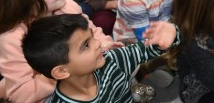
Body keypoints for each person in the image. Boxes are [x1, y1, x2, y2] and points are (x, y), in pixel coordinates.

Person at [0, 0, 113, 103]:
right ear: (30, 4)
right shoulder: (12, 40)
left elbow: (94, 33)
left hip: (86, 79)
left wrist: (109, 47)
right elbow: (21, 94)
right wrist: (69, 72)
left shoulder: (68, 7)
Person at [22, 14, 178, 102]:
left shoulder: (111, 60)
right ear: (61, 71)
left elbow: (146, 50)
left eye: (92, 37)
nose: (97, 44)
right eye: (85, 46)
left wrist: (170, 35)